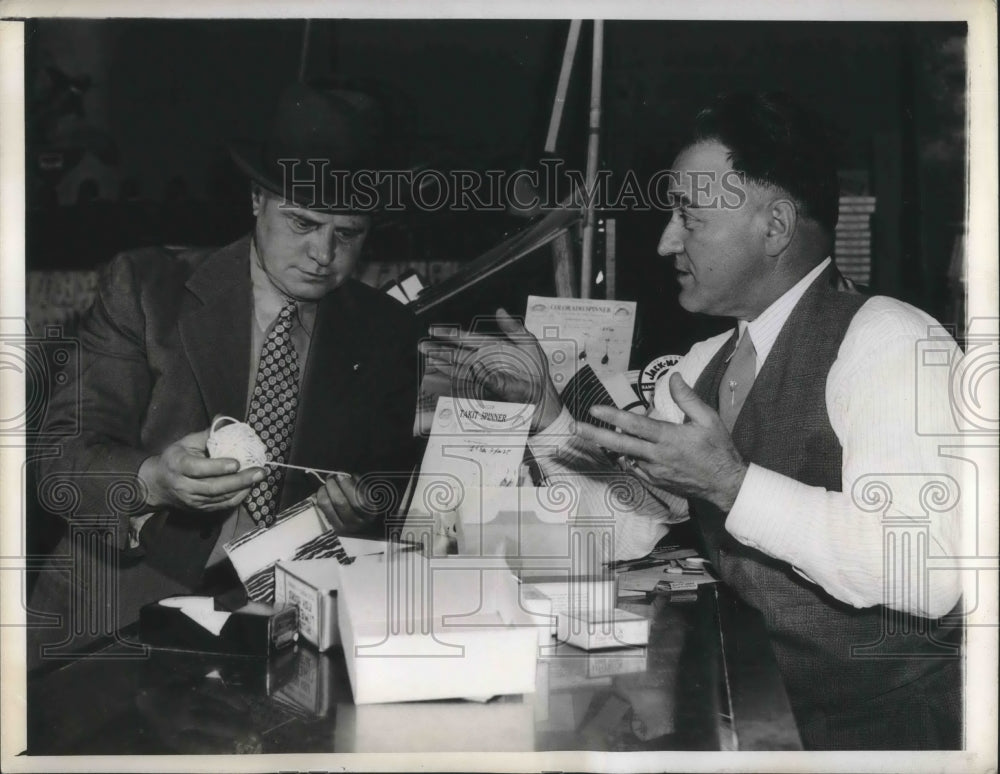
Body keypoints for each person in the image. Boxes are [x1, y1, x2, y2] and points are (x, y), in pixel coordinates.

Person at [448, 92, 964, 750]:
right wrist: (548, 413)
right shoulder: (702, 366)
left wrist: (729, 483)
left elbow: (927, 572)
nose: (667, 242)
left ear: (774, 227)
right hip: (762, 713)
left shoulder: (887, 339)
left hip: (889, 738)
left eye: (689, 218)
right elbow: (623, 527)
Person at [28, 82, 422, 667]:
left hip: (282, 631)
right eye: (303, 223)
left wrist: (362, 511)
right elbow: (59, 461)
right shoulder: (145, 289)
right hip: (110, 623)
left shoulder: (385, 331)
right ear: (257, 199)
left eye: (347, 234)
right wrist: (154, 480)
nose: (323, 254)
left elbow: (388, 490)